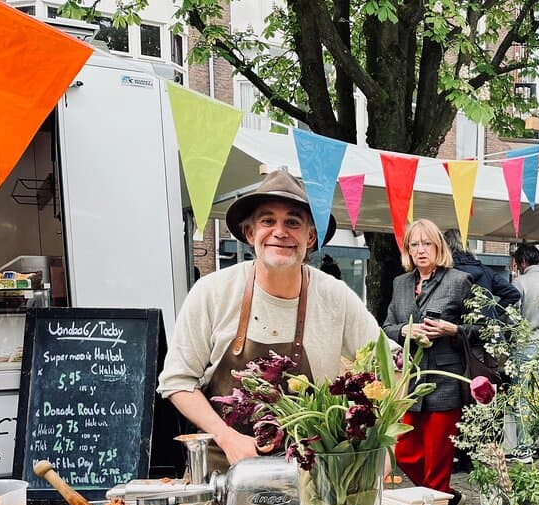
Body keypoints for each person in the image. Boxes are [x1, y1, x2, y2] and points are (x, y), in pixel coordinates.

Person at [158, 169, 381, 473]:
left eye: (293, 222)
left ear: (310, 236)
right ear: (250, 234)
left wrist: (376, 440)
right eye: (267, 221)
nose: (280, 232)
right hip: (223, 475)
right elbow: (176, 381)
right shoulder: (213, 292)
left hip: (307, 476)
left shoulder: (335, 297)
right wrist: (226, 436)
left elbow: (389, 363)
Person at [383, 219, 476, 505]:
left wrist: (453, 329)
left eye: (427, 243)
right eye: (414, 244)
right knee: (403, 450)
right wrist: (403, 330)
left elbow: (485, 329)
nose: (421, 250)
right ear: (407, 250)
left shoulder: (459, 281)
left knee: (437, 459)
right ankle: (441, 498)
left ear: (438, 246)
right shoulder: (400, 284)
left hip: (445, 381)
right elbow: (386, 326)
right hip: (410, 383)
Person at [444, 228, 519, 318]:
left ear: (445, 248)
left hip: (453, 328)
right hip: (483, 328)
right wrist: (492, 313)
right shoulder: (486, 271)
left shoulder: (443, 272)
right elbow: (513, 294)